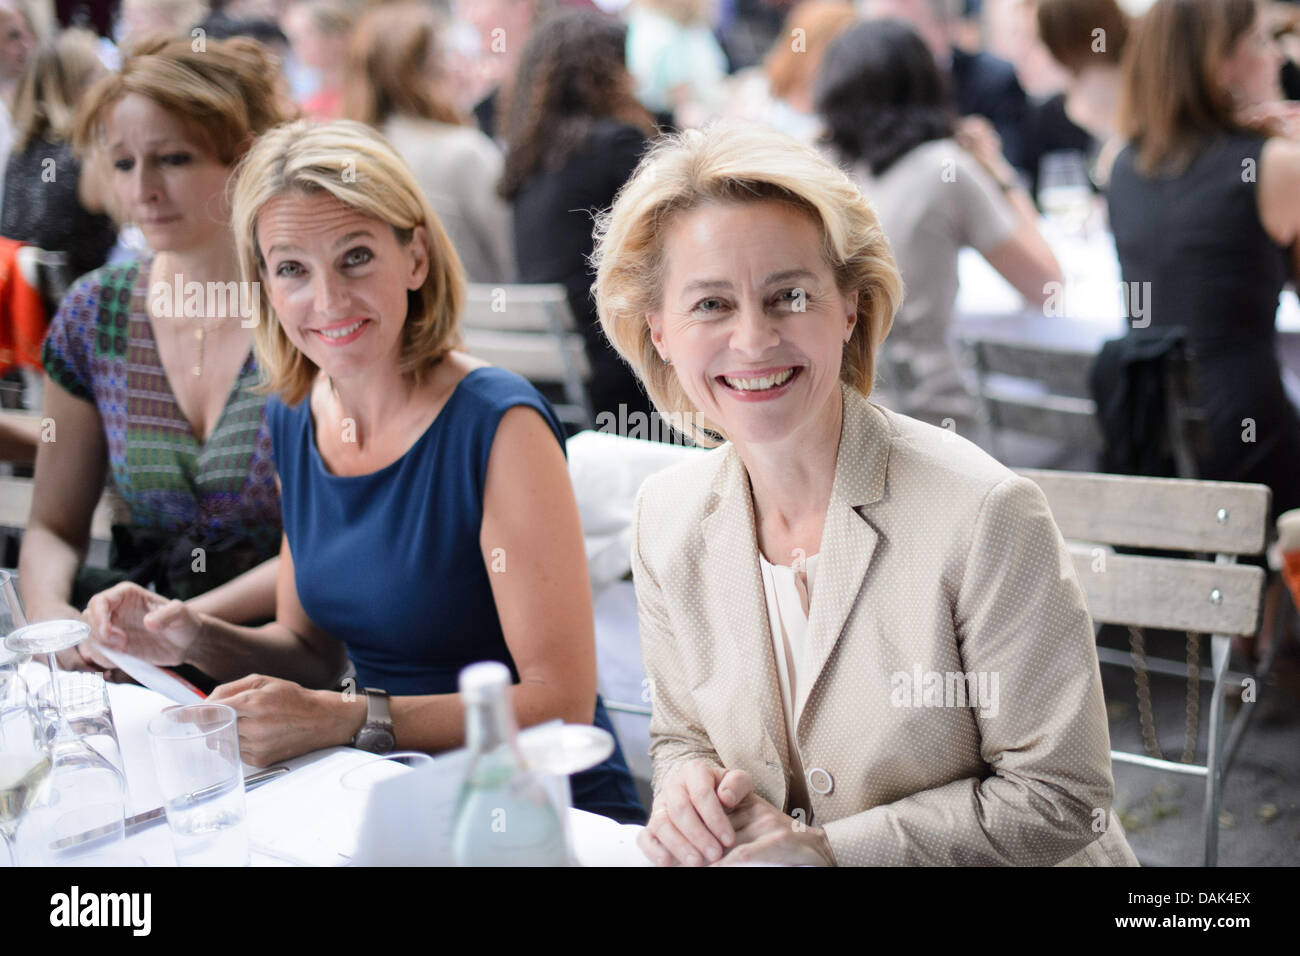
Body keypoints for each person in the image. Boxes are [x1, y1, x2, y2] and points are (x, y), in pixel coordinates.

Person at [591, 120, 1138, 865]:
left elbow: (1059, 798)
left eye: (788, 295)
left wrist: (826, 852)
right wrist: (687, 784)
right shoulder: (665, 515)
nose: (753, 341)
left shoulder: (983, 514)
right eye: (711, 305)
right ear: (657, 330)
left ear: (848, 308)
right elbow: (682, 733)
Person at [81, 119, 646, 825]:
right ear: (264, 283)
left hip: (534, 809)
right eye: (292, 269)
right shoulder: (293, 413)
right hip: (378, 795)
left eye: (355, 257)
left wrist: (346, 719)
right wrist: (189, 634)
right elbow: (310, 653)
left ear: (414, 257)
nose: (328, 301)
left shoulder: (498, 424)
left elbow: (555, 701)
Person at [18, 35, 287, 660]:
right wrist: (53, 618)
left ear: (244, 157)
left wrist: (166, 627)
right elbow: (54, 526)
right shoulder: (96, 313)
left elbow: (327, 548)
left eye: (172, 159)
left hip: (284, 651)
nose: (143, 188)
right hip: (128, 652)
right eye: (121, 163)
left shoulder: (302, 307)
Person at [815, 18, 1061, 433]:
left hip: (842, 412)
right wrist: (996, 170)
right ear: (928, 84)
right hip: (933, 419)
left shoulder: (819, 169)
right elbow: (1046, 285)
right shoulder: (944, 167)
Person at [1108, 0, 1300, 520]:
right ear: (1220, 63)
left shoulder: (1122, 164)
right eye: (1261, 42)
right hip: (1250, 440)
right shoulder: (1273, 164)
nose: (1279, 57)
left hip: (1153, 432)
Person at [500, 8, 659, 430]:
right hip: (621, 375)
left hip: (556, 380)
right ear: (607, 73)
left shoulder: (529, 161)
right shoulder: (615, 145)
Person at [344, 1, 514, 283]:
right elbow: (513, 256)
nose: (460, 63)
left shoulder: (352, 154)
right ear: (422, 73)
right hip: (480, 322)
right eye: (447, 53)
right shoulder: (464, 151)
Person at [2, 28, 117, 284]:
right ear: (79, 88)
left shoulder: (20, 151)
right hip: (84, 309)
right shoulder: (89, 155)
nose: (111, 84)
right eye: (102, 73)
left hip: (24, 309)